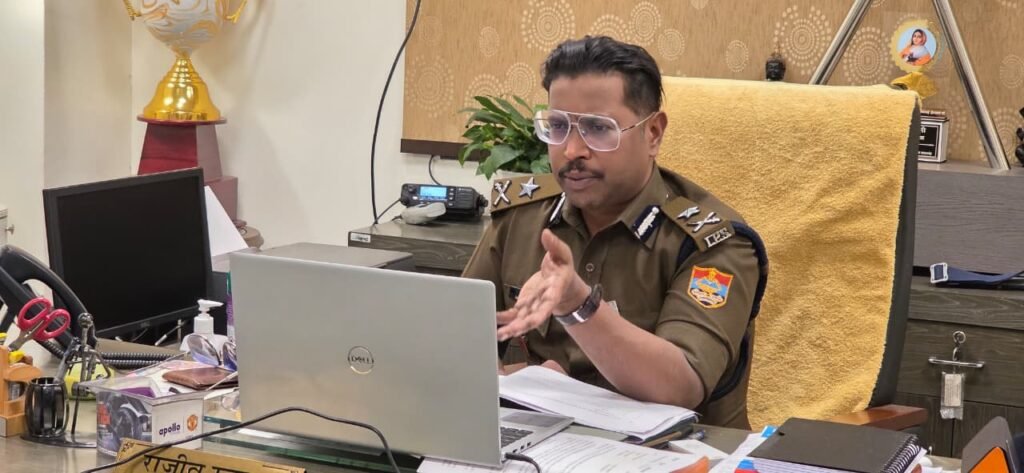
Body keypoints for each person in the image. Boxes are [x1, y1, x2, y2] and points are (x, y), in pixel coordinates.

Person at [462, 35, 767, 429]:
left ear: (653, 133)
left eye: (597, 128)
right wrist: (504, 381)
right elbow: (456, 333)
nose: (572, 150)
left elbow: (682, 385)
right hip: (536, 443)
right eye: (558, 126)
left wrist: (578, 305)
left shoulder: (713, 242)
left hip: (679, 451)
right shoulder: (522, 217)